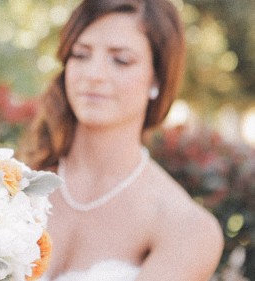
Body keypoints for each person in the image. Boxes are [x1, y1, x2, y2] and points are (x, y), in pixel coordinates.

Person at [19, 0, 224, 280]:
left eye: (121, 59)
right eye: (80, 54)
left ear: (157, 80)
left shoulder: (186, 228)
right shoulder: (13, 182)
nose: (93, 74)